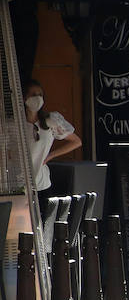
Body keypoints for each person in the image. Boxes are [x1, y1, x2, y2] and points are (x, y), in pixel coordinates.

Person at [24, 79, 81, 207]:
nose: (37, 98)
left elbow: (76, 141)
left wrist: (51, 156)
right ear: (24, 98)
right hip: (20, 183)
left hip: (41, 183)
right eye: (33, 95)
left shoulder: (51, 120)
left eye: (40, 95)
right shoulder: (15, 124)